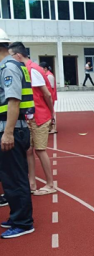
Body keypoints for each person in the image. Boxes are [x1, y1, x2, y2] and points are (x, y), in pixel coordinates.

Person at [8, 42, 56, 196]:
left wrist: (50, 113)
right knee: (29, 150)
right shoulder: (25, 68)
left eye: (11, 55)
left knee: (40, 150)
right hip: (30, 117)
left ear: (18, 55)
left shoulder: (33, 69)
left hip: (39, 116)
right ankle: (32, 182)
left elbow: (47, 94)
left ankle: (50, 184)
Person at [0, 30, 35, 238]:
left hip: (11, 128)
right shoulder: (9, 66)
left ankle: (23, 223)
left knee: (15, 178)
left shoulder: (8, 68)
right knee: (10, 176)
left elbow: (14, 101)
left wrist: (8, 133)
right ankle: (17, 217)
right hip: (13, 127)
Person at [39, 62, 57, 134]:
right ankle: (49, 126)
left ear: (45, 68)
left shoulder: (49, 76)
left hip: (50, 96)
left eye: (41, 69)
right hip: (47, 95)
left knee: (51, 111)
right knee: (49, 111)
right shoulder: (45, 75)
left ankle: (53, 127)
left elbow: (51, 87)